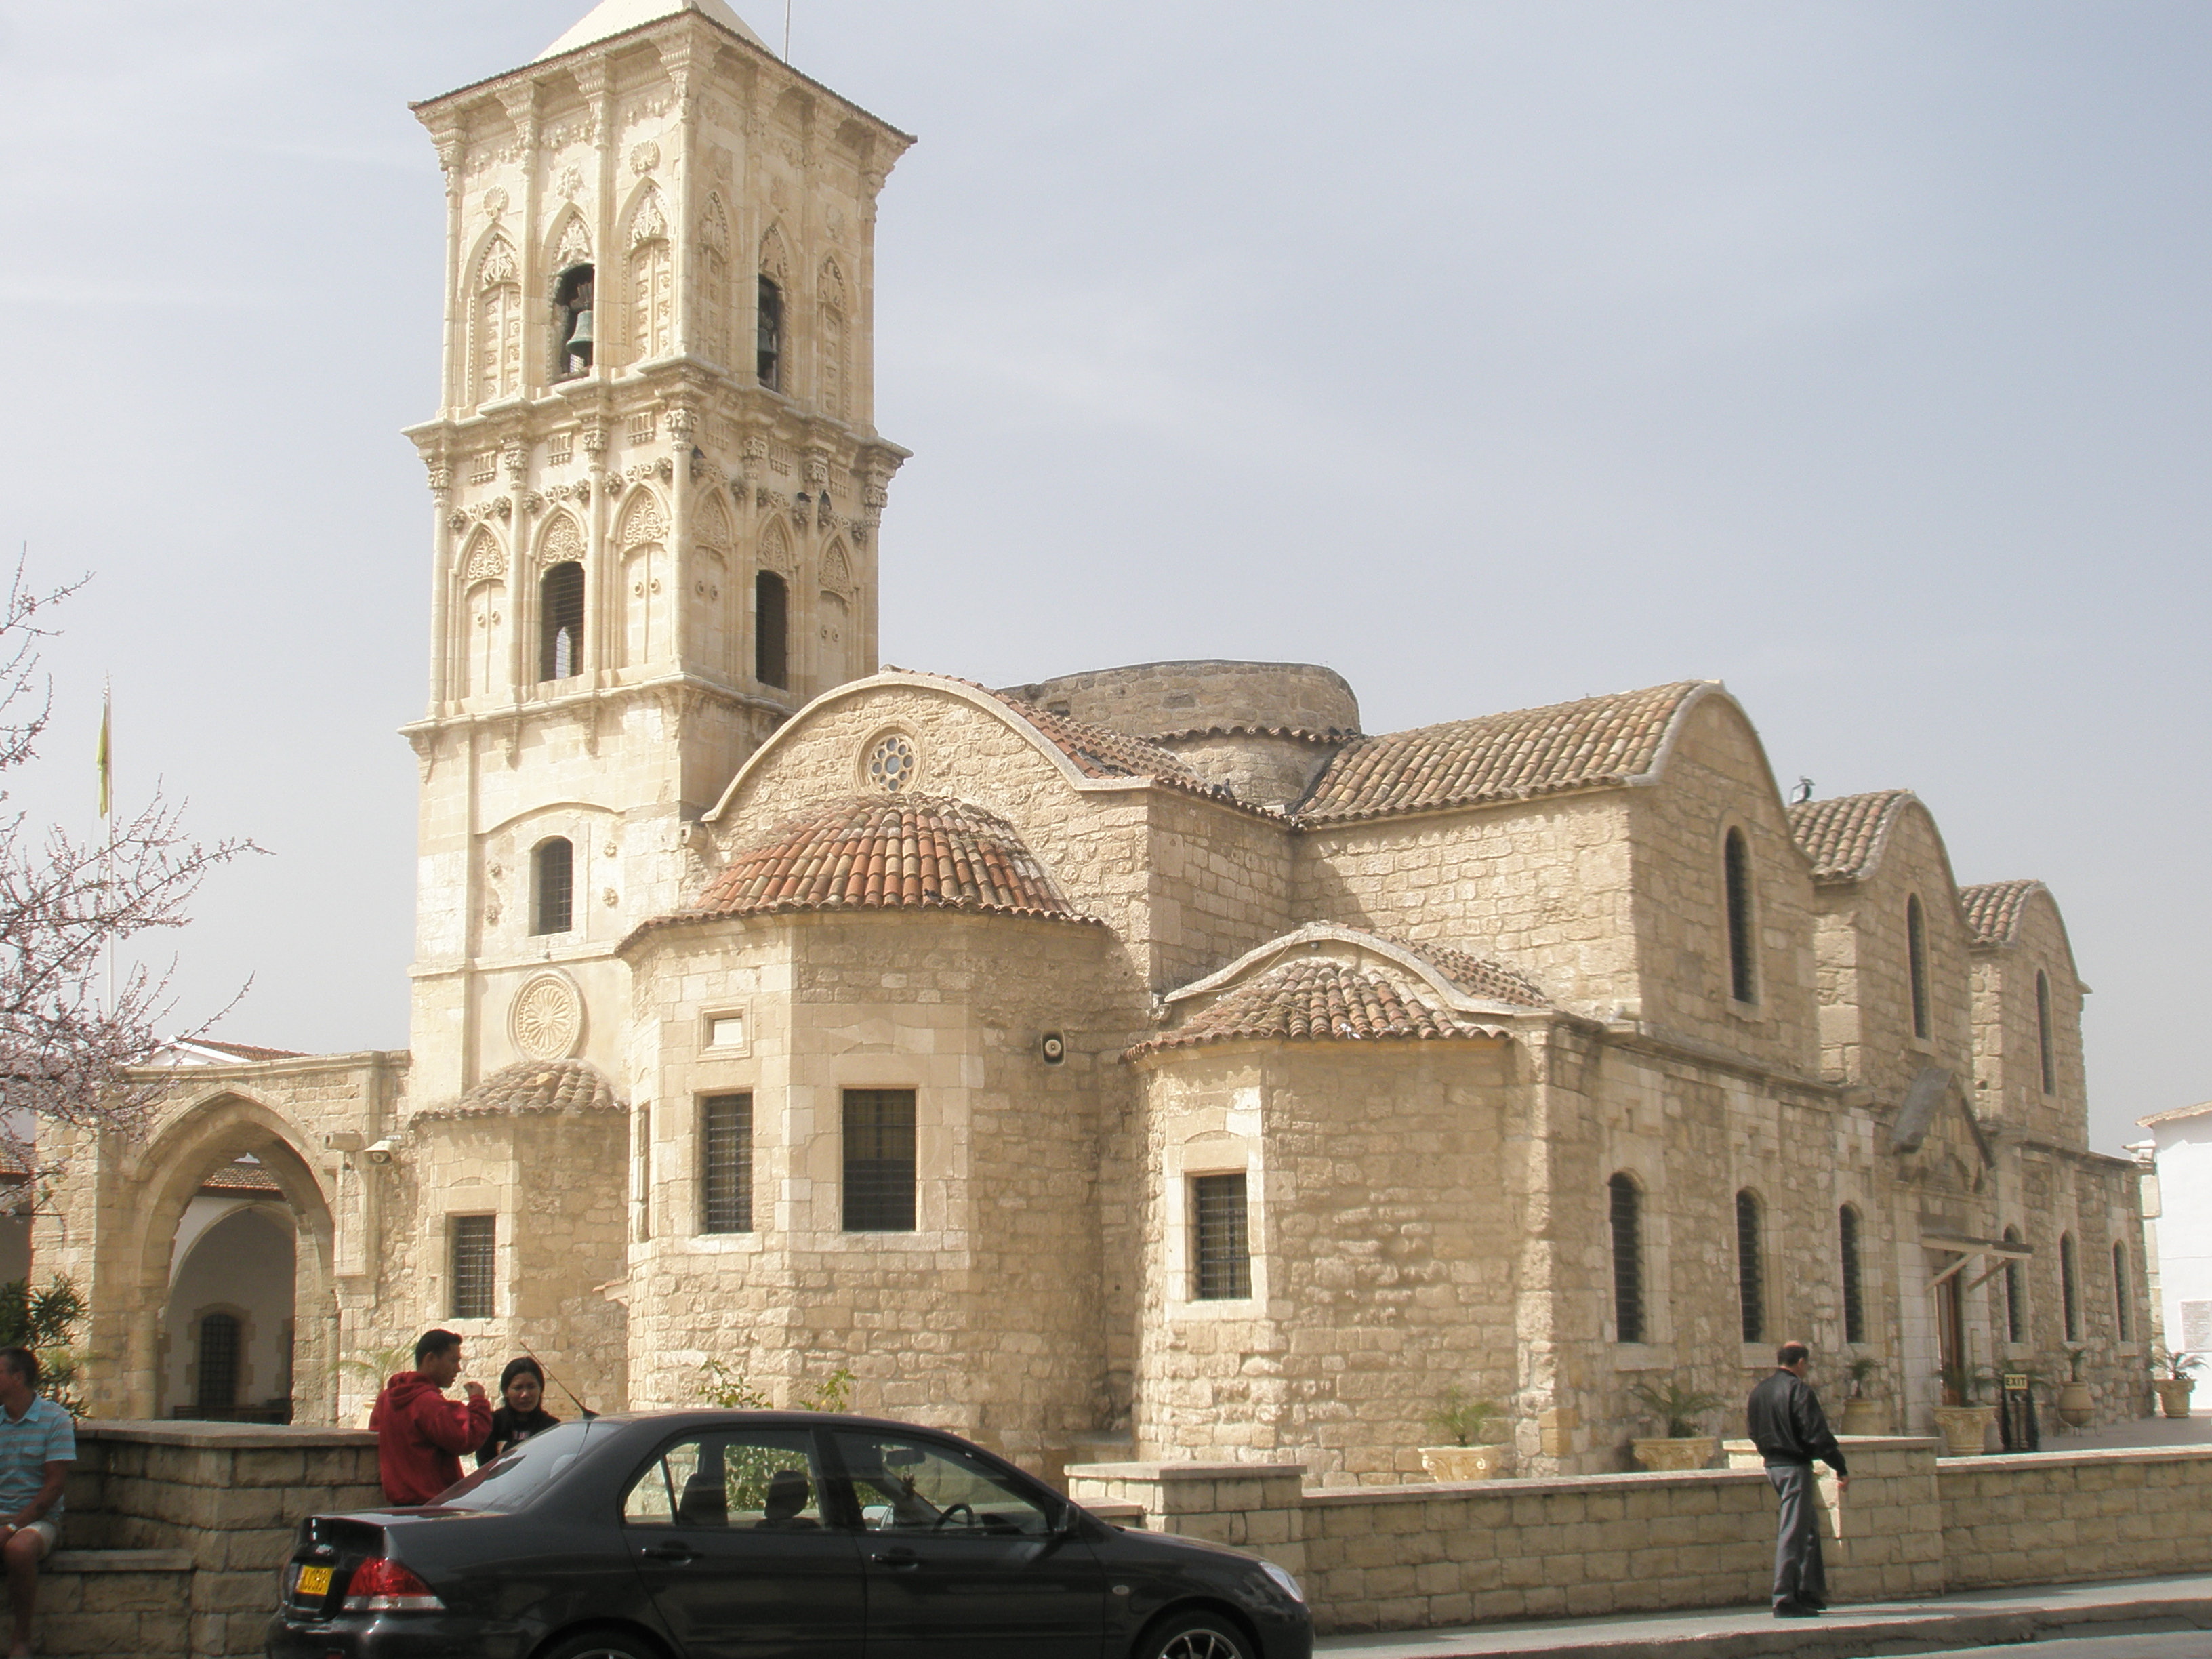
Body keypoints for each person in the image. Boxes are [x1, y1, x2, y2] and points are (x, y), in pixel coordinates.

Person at [1746, 1340, 1850, 1618]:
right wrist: (1840, 1466)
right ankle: (1784, 1598)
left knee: (1808, 1527)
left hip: (1773, 1465)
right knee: (1793, 1531)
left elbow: (1753, 1430)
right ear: (1801, 1363)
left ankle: (1807, 1590)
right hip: (1794, 1467)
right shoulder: (1798, 1391)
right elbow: (1816, 1433)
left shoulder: (1760, 1391)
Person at [0, 1347, 73, 1659]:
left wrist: (13, 1527)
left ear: (17, 1378)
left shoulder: (55, 1419)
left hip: (38, 1521)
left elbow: (54, 1486)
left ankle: (21, 1640)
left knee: (18, 1549)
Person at [370, 1330, 491, 1506]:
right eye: (453, 1361)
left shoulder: (386, 1398)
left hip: (398, 1505)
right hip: (433, 1506)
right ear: (430, 1359)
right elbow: (465, 1439)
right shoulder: (428, 1403)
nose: (458, 1369)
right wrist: (478, 1403)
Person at [476, 1357, 560, 1468]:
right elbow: (486, 1465)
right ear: (506, 1391)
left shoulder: (551, 1427)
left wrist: (507, 1449)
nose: (525, 1394)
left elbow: (547, 1461)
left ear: (541, 1389)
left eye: (531, 1387)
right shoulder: (492, 1424)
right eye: (518, 1388)